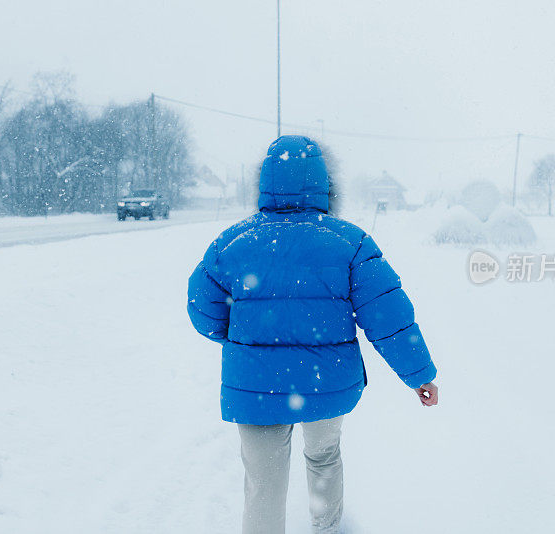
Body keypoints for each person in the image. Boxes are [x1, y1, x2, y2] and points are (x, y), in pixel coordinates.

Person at [187, 135, 438, 534]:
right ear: (324, 184)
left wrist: (243, 341)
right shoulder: (350, 242)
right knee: (323, 458)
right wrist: (419, 375)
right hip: (327, 381)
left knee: (263, 483)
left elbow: (202, 311)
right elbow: (389, 317)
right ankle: (327, 528)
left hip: (256, 386)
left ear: (265, 184)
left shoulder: (232, 243)